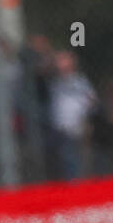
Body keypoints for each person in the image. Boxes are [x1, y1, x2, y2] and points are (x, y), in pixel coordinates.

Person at [48, 50, 95, 179]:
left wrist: (85, 121)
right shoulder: (55, 83)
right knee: (63, 165)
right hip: (59, 130)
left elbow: (90, 102)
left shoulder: (79, 82)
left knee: (76, 164)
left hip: (76, 130)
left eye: (63, 60)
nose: (60, 64)